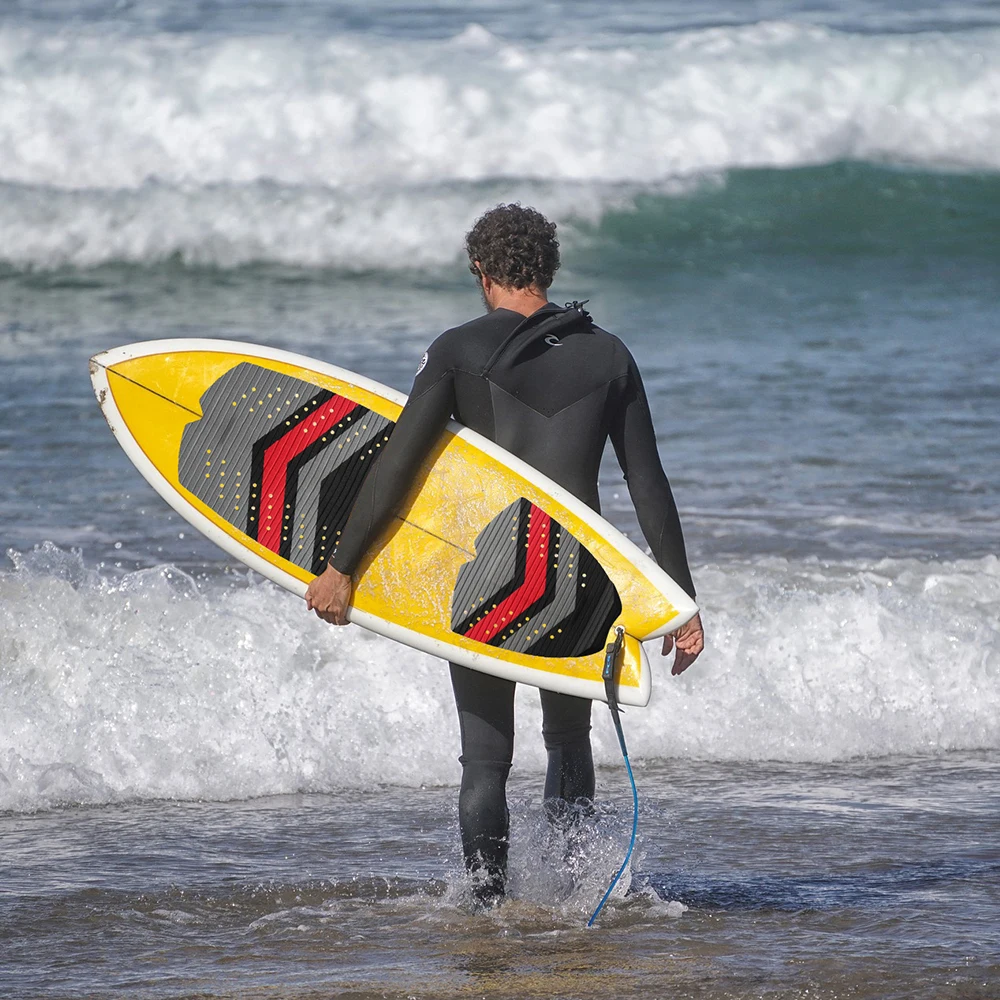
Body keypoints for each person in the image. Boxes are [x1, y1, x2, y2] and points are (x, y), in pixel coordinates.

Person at [305, 204, 704, 906]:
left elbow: (397, 466)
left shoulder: (457, 350)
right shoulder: (610, 355)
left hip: (485, 574)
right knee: (569, 742)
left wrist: (343, 568)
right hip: (574, 578)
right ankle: (573, 897)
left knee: (485, 760)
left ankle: (487, 911)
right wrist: (681, 603)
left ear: (481, 271)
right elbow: (649, 484)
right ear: (549, 268)